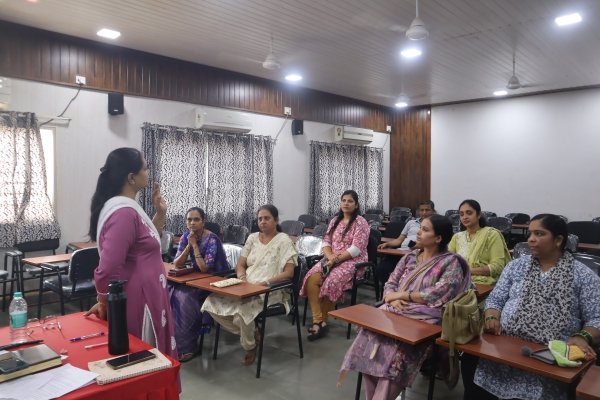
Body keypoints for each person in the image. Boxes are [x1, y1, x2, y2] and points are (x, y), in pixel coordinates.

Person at [339, 215, 471, 400]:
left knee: (395, 360)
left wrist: (402, 296)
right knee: (368, 349)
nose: (418, 232)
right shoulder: (410, 257)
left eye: (425, 230)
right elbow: (391, 282)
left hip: (425, 322)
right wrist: (391, 299)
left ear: (439, 238)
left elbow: (440, 293)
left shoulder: (451, 263)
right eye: (420, 228)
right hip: (394, 311)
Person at [472, 214, 600, 400]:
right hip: (505, 347)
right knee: (470, 366)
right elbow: (496, 299)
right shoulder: (516, 266)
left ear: (558, 240)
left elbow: (596, 317)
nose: (531, 239)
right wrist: (492, 316)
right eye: (530, 233)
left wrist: (583, 337)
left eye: (539, 234)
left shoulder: (583, 276)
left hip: (550, 357)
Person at [84, 147, 177, 360]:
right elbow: (109, 267)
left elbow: (146, 243)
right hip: (140, 298)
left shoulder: (129, 209)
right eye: (145, 168)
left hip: (149, 293)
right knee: (146, 358)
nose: (148, 172)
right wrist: (104, 301)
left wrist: (160, 212)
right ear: (131, 177)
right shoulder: (124, 213)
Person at [201, 204, 296, 365]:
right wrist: (242, 278)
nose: (263, 222)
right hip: (245, 287)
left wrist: (265, 283)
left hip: (270, 290)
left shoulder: (284, 240)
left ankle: (250, 346)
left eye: (267, 218)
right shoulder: (252, 238)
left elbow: (289, 273)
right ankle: (253, 334)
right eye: (260, 219)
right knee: (210, 303)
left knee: (241, 314)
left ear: (276, 220)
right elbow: (240, 265)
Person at [300, 190, 370, 341]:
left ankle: (323, 321)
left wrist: (335, 260)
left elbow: (356, 249)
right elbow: (326, 242)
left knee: (332, 281)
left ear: (356, 205)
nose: (346, 203)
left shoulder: (361, 222)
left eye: (350, 201)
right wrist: (330, 257)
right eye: (343, 200)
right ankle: (318, 320)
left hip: (353, 261)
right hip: (332, 258)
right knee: (312, 278)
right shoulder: (334, 221)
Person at [169, 207, 229, 362]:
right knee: (169, 290)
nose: (192, 223)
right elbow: (177, 263)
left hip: (215, 280)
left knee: (183, 298)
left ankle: (187, 346)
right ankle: (170, 342)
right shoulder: (186, 236)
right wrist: (189, 245)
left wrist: (195, 245)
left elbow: (205, 268)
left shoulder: (212, 239)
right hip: (196, 279)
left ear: (203, 221)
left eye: (196, 219)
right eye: (189, 220)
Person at [375, 200, 436, 290]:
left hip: (418, 255)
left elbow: (434, 244)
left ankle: (401, 290)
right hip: (400, 253)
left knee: (406, 275)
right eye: (422, 210)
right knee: (382, 269)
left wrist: (421, 247)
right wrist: (387, 244)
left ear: (433, 211)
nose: (424, 212)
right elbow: (399, 240)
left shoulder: (435, 225)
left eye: (427, 210)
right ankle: (389, 290)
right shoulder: (411, 223)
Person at [448, 199, 511, 285]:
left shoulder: (491, 235)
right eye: (461, 214)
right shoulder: (457, 237)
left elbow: (497, 267)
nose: (465, 217)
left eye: (469, 213)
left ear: (479, 215)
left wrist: (468, 271)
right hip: (457, 281)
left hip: (483, 284)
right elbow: (447, 262)